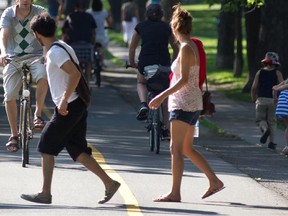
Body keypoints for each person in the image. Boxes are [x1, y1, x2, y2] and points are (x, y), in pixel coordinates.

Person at [20, 12, 120, 205]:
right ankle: (109, 183)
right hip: (77, 104)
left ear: (36, 34)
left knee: (45, 145)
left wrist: (64, 100)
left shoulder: (56, 52)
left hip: (70, 106)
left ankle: (45, 193)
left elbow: (74, 74)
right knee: (77, 149)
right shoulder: (59, 47)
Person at [148, 4, 224, 202]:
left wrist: (161, 96)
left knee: (175, 148)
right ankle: (214, 181)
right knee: (187, 148)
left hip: (183, 103)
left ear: (174, 27)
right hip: (192, 103)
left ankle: (175, 193)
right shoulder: (191, 46)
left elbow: (182, 80)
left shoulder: (185, 48)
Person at [0, 0, 48, 152]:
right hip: (13, 58)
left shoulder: (40, 11)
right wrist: (3, 53)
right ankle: (14, 135)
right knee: (9, 96)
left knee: (43, 76)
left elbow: (47, 34)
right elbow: (4, 34)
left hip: (36, 57)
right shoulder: (9, 13)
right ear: (16, 0)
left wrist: (46, 53)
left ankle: (38, 115)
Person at [128, 3, 178, 139]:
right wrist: (173, 63)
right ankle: (167, 129)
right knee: (166, 96)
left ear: (146, 14)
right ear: (161, 14)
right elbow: (175, 47)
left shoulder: (140, 27)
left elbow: (132, 47)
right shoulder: (167, 28)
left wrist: (132, 63)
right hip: (163, 63)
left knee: (141, 82)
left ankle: (144, 104)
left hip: (145, 62)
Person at [251, 52, 283, 149]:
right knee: (272, 121)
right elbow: (282, 86)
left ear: (265, 61)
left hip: (261, 100)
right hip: (273, 100)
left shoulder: (259, 72)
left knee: (260, 119)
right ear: (275, 63)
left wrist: (254, 98)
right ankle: (272, 143)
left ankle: (265, 130)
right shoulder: (277, 73)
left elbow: (254, 87)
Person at [62, 0, 96, 83]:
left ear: (75, 7)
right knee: (88, 62)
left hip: (73, 46)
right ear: (84, 8)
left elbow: (65, 32)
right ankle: (88, 81)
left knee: (73, 62)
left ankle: (72, 82)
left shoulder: (70, 16)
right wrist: (93, 43)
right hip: (87, 45)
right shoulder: (89, 16)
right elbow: (93, 32)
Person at [87, 0, 112, 68]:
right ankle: (102, 62)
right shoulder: (104, 12)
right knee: (100, 49)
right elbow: (109, 23)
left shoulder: (88, 12)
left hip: (91, 37)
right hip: (101, 38)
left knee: (91, 49)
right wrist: (108, 26)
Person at [273, 78, 288, 156]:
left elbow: (274, 88)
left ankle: (287, 147)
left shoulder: (284, 82)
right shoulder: (285, 84)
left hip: (282, 107)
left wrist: (275, 98)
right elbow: (277, 88)